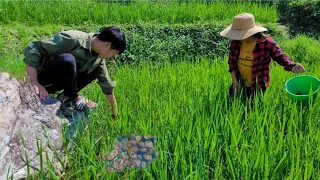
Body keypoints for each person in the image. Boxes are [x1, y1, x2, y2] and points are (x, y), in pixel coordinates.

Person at [23, 26, 126, 118]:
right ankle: (74, 97)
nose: (111, 58)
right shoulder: (73, 39)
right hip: (41, 77)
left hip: (56, 84)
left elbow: (106, 84)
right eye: (113, 54)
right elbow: (34, 47)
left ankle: (65, 98)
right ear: (108, 45)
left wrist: (114, 112)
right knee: (68, 59)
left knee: (95, 71)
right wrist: (34, 81)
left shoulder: (98, 58)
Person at [220, 13, 305, 101]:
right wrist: (235, 82)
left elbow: (280, 56)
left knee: (253, 108)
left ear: (250, 32)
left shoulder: (267, 43)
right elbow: (232, 63)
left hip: (258, 84)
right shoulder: (235, 43)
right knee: (231, 103)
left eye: (239, 34)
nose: (236, 37)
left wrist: (292, 65)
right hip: (239, 81)